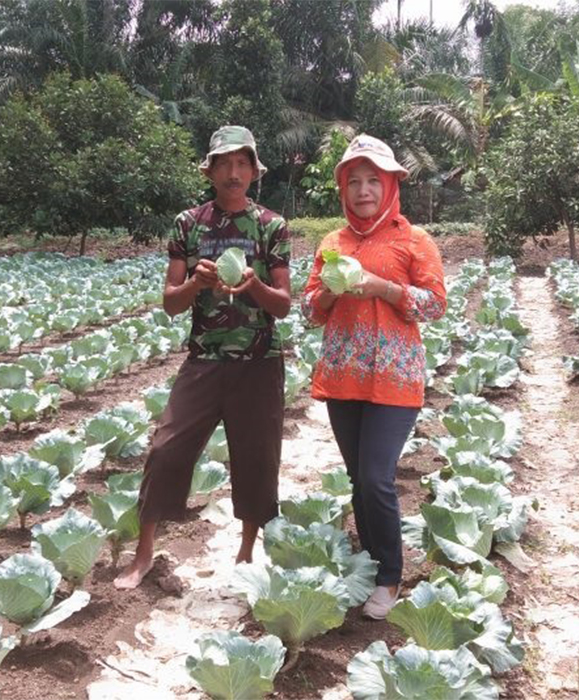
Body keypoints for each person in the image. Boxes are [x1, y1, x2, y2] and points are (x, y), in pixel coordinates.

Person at [115, 125, 292, 589]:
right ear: (209, 170)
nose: (233, 173)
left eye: (242, 163)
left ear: (254, 171)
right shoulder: (188, 224)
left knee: (256, 459)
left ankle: (247, 551)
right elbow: (172, 303)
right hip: (205, 359)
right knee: (165, 449)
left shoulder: (272, 226)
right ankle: (144, 553)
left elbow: (284, 305)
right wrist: (196, 282)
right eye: (223, 163)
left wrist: (252, 283)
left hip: (259, 362)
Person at [301, 134, 447, 619]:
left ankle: (389, 575)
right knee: (356, 479)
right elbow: (309, 310)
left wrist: (382, 286)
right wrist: (329, 291)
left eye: (373, 181)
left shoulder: (414, 240)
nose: (363, 191)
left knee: (375, 477)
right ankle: (367, 561)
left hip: (395, 377)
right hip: (344, 376)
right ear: (343, 190)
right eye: (354, 182)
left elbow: (436, 304)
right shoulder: (332, 243)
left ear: (389, 186)